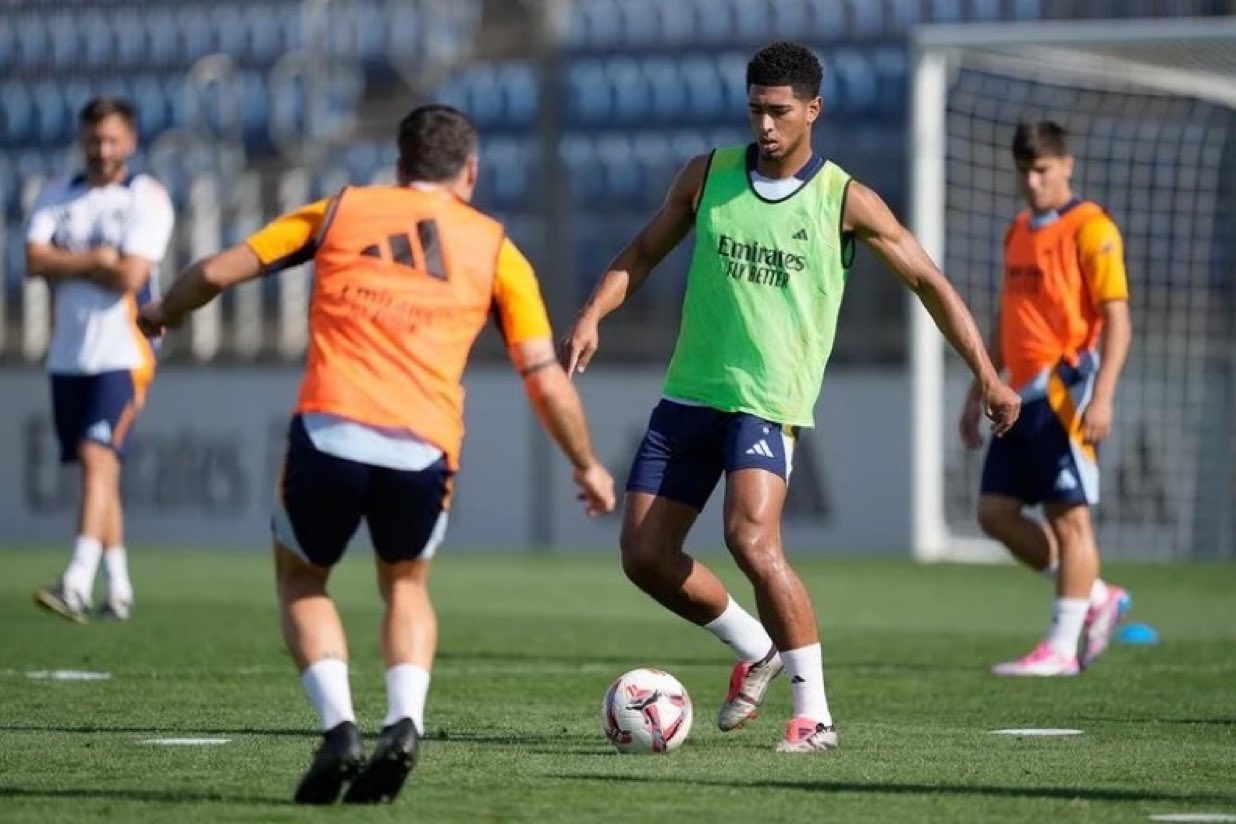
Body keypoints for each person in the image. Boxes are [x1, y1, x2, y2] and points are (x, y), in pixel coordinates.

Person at [137, 105, 616, 804]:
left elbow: (216, 269)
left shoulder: (339, 211)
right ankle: (405, 723)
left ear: (399, 166)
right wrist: (586, 463)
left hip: (331, 427)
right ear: (471, 173)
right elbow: (544, 377)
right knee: (406, 586)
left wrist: (163, 313)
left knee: (303, 581)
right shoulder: (496, 248)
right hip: (422, 445)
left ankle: (339, 729)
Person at [560, 42, 1020, 753]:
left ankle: (815, 715)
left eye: (779, 111)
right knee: (644, 554)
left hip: (768, 402)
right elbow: (643, 251)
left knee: (749, 537)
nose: (766, 125)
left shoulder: (845, 199)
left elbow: (928, 280)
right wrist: (594, 312)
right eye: (756, 110)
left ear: (813, 110)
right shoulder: (706, 176)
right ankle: (756, 647)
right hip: (689, 395)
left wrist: (985, 373)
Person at [959, 120, 1132, 677]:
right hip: (1017, 395)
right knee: (995, 514)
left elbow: (1117, 319)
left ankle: (1061, 647)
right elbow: (1006, 319)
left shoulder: (1092, 227)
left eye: (1043, 170)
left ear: (1067, 165)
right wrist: (976, 388)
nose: (1033, 182)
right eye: (1024, 171)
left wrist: (1102, 396)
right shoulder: (1018, 231)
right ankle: (1097, 594)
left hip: (1066, 391)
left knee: (1068, 518)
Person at [28, 96, 175, 623]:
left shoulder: (146, 197)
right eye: (94, 139)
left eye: (112, 139)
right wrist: (95, 258)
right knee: (101, 469)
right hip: (69, 353)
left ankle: (75, 581)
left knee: (97, 456)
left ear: (130, 142)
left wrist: (66, 263)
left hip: (124, 349)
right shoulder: (56, 193)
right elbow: (32, 259)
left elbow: (131, 276)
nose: (101, 149)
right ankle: (119, 588)